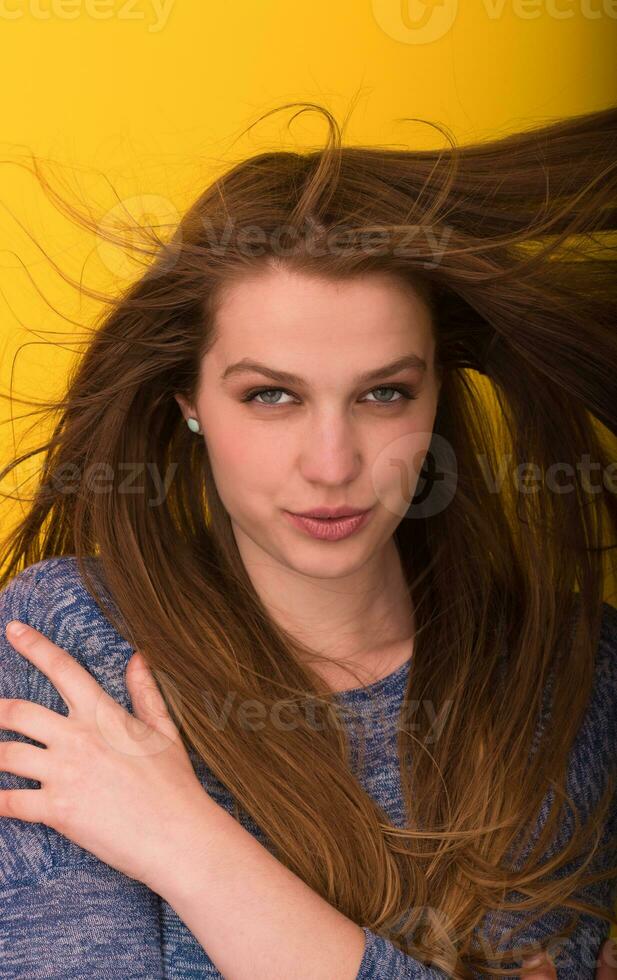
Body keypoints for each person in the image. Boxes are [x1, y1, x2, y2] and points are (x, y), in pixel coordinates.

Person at [0, 102, 615, 978]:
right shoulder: (69, 641)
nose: (332, 466)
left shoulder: (570, 673)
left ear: (439, 389)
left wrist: (184, 844)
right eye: (271, 396)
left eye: (382, 395)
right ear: (188, 402)